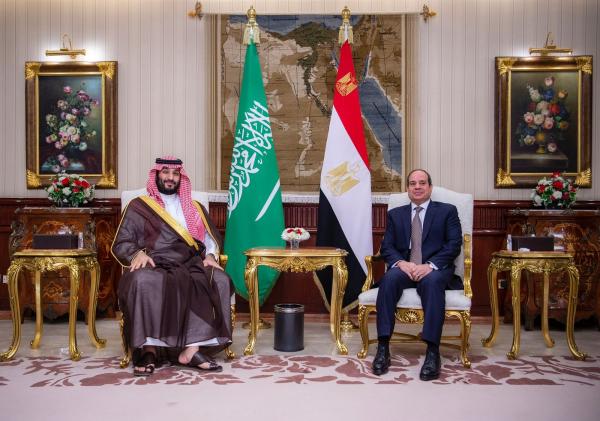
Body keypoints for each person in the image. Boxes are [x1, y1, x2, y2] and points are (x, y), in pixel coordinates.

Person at [112, 156, 232, 376]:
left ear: (181, 178)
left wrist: (211, 256)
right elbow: (123, 241)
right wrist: (137, 253)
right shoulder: (139, 206)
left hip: (190, 261)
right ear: (157, 175)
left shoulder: (195, 208)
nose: (170, 177)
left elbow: (208, 240)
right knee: (143, 280)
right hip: (155, 261)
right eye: (165, 172)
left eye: (175, 173)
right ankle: (149, 349)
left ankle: (192, 349)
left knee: (218, 279)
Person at [372, 169, 462, 380]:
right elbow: (387, 247)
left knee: (432, 283)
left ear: (430, 187)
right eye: (413, 183)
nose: (417, 187)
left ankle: (432, 352)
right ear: (407, 188)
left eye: (422, 183)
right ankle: (383, 348)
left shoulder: (447, 211)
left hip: (434, 270)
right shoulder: (396, 214)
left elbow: (454, 245)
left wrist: (430, 265)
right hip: (405, 268)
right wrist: (402, 263)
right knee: (388, 280)